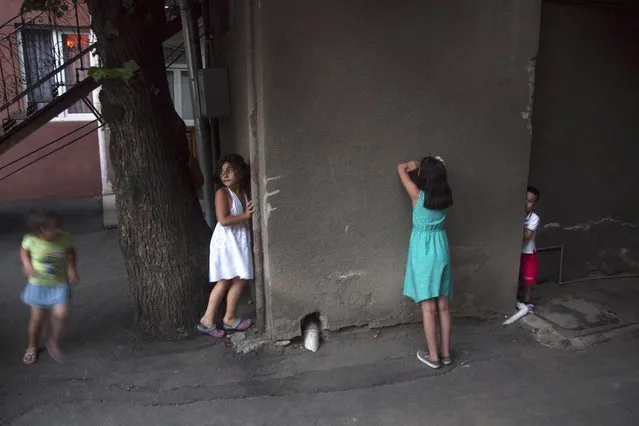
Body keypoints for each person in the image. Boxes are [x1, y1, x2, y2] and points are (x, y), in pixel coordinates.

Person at [397, 156, 453, 369]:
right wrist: (428, 166)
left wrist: (417, 165)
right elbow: (440, 169)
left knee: (428, 307)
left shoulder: (417, 195)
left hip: (423, 250)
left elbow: (400, 168)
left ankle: (433, 356)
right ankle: (446, 353)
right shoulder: (445, 197)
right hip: (441, 247)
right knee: (444, 306)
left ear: (425, 177)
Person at [197, 154, 255, 338]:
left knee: (239, 278)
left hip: (237, 241)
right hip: (226, 242)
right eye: (222, 172)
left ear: (239, 171)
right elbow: (223, 219)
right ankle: (210, 320)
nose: (225, 175)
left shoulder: (242, 192)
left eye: (230, 170)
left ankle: (228, 317)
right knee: (226, 279)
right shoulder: (222, 193)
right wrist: (245, 216)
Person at [20, 209, 78, 365]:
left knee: (61, 314)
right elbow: (24, 251)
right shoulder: (31, 240)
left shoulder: (64, 239)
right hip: (38, 284)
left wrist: (72, 268)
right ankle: (32, 346)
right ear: (39, 231)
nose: (57, 230)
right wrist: (26, 265)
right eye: (52, 228)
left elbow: (70, 251)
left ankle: (52, 339)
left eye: (58, 225)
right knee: (37, 318)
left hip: (59, 284)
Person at [519, 186, 541, 304]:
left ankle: (527, 302)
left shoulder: (534, 218)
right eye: (525, 199)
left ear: (534, 204)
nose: (526, 203)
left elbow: (526, 237)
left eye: (530, 201)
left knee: (528, 279)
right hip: (516, 252)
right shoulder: (516, 214)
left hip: (528, 252)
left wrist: (519, 219)